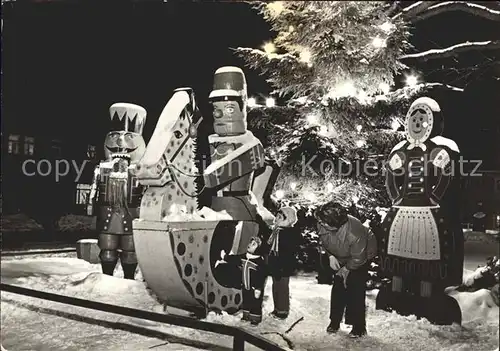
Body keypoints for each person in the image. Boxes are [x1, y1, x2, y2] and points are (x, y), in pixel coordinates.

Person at [314, 201, 377, 338]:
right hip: (340, 255)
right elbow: (323, 242)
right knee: (338, 287)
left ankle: (358, 326)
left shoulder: (355, 232)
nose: (320, 224)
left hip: (362, 255)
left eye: (324, 222)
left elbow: (358, 258)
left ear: (335, 223)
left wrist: (346, 269)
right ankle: (334, 321)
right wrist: (330, 256)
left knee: (355, 289)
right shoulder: (322, 223)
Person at [215, 235, 269, 325]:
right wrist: (225, 256)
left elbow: (261, 275)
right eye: (250, 243)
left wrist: (258, 288)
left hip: (254, 287)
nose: (250, 245)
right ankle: (246, 315)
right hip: (245, 285)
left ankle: (255, 319)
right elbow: (234, 259)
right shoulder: (244, 256)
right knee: (246, 300)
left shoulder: (259, 261)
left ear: (258, 248)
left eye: (254, 244)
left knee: (255, 303)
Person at [266, 206, 300, 319]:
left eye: (280, 217)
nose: (276, 219)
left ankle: (283, 310)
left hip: (283, 266)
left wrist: (284, 266)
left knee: (282, 287)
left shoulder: (289, 233)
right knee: (275, 286)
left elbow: (288, 252)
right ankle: (277, 308)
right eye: (277, 216)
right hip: (275, 263)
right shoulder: (276, 231)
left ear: (288, 219)